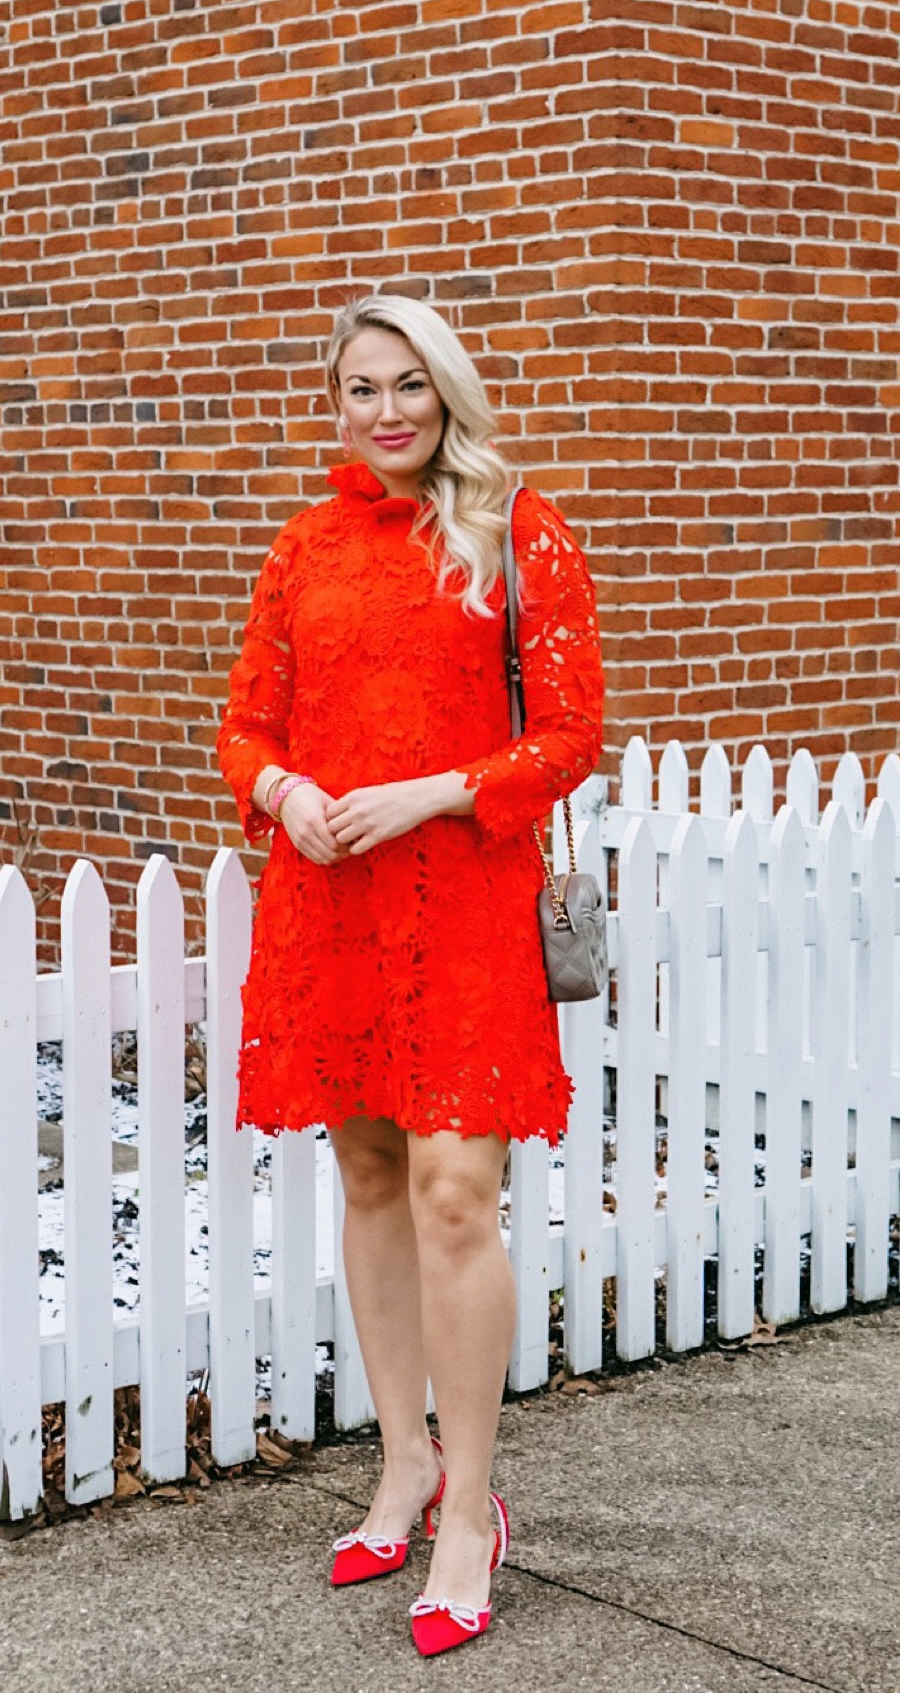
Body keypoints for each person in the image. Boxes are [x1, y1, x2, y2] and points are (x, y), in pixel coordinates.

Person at [215, 291, 605, 1657]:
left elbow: (567, 737)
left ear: (446, 394)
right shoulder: (303, 547)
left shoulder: (514, 531)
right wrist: (285, 786)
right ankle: (401, 1461)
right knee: (370, 1171)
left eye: (407, 386)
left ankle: (470, 1510)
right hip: (332, 901)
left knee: (454, 1191)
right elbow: (241, 728)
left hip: (467, 898)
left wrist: (434, 792)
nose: (383, 413)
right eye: (358, 390)